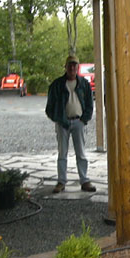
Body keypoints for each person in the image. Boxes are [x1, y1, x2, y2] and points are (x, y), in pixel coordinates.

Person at [45, 54, 95, 193]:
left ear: (77, 67)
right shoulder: (57, 85)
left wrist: (84, 119)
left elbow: (90, 104)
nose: (72, 68)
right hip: (62, 123)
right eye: (70, 65)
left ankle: (84, 180)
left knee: (81, 153)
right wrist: (58, 119)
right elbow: (49, 108)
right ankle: (61, 182)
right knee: (62, 154)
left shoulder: (84, 84)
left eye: (74, 65)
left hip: (79, 122)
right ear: (65, 67)